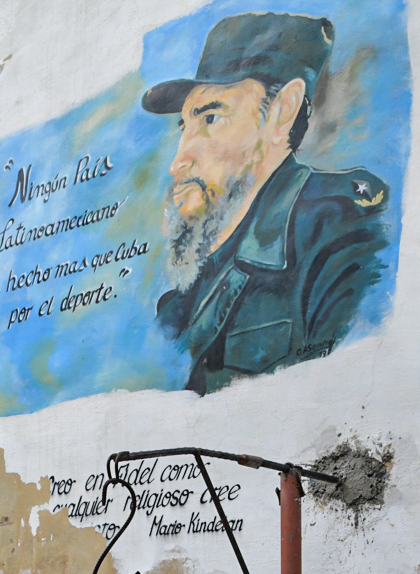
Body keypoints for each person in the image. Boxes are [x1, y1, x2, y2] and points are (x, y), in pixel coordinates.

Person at [142, 12, 389, 395]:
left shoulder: (341, 230)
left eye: (211, 118)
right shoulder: (181, 302)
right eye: (185, 127)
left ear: (283, 110)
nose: (178, 162)